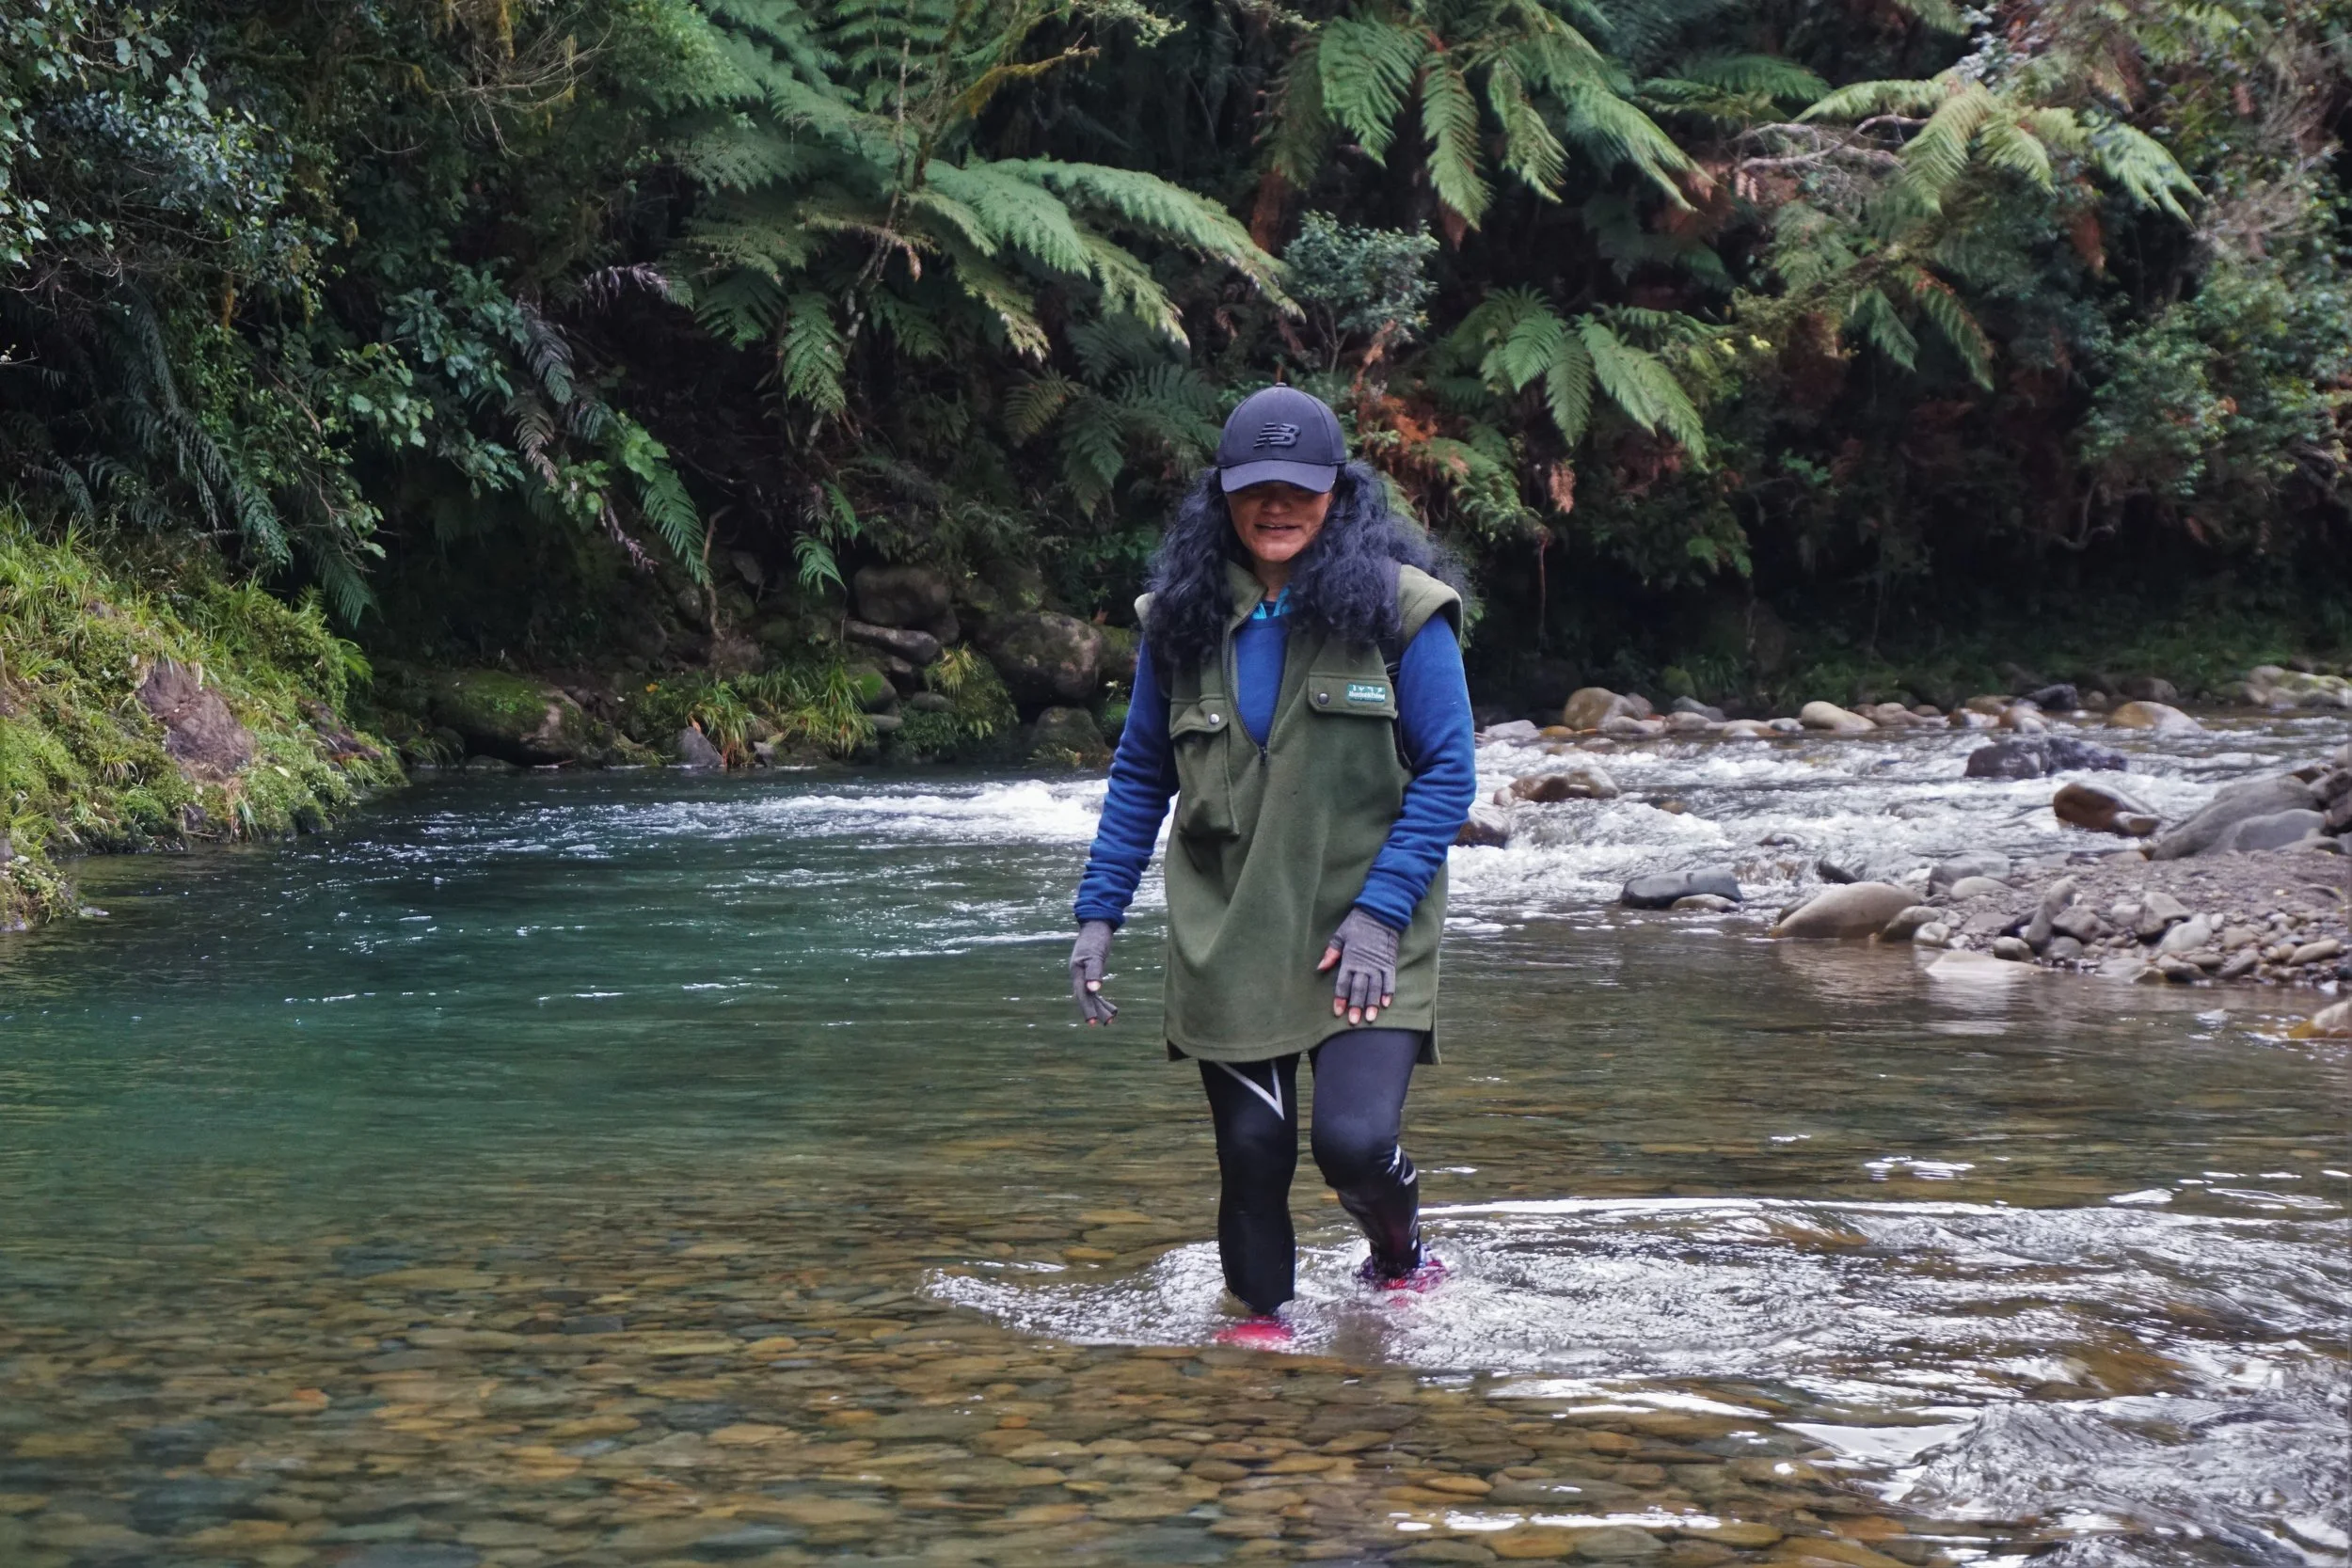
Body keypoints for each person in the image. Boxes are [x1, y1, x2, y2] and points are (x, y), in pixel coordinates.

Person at [1065, 385, 1478, 1346]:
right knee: (1251, 1150)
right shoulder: (1177, 619)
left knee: (1352, 1143)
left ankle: (1399, 1252)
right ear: (1222, 496)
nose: (1277, 506)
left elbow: (1450, 771)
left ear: (1339, 492)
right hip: (1230, 928)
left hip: (1369, 925)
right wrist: (1098, 911)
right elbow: (1138, 772)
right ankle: (1263, 1328)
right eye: (1256, 489)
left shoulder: (1404, 614)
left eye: (1300, 487)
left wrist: (1379, 913)